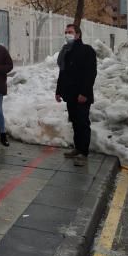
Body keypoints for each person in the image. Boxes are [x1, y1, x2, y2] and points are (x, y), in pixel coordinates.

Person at [55, 23, 98, 166]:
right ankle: (77, 148)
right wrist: (58, 91)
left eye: (71, 32)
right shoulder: (66, 51)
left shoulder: (87, 51)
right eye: (66, 32)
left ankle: (84, 153)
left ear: (78, 35)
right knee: (74, 121)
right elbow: (63, 73)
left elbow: (90, 74)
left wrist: (84, 93)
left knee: (82, 123)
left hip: (82, 95)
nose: (68, 34)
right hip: (70, 94)